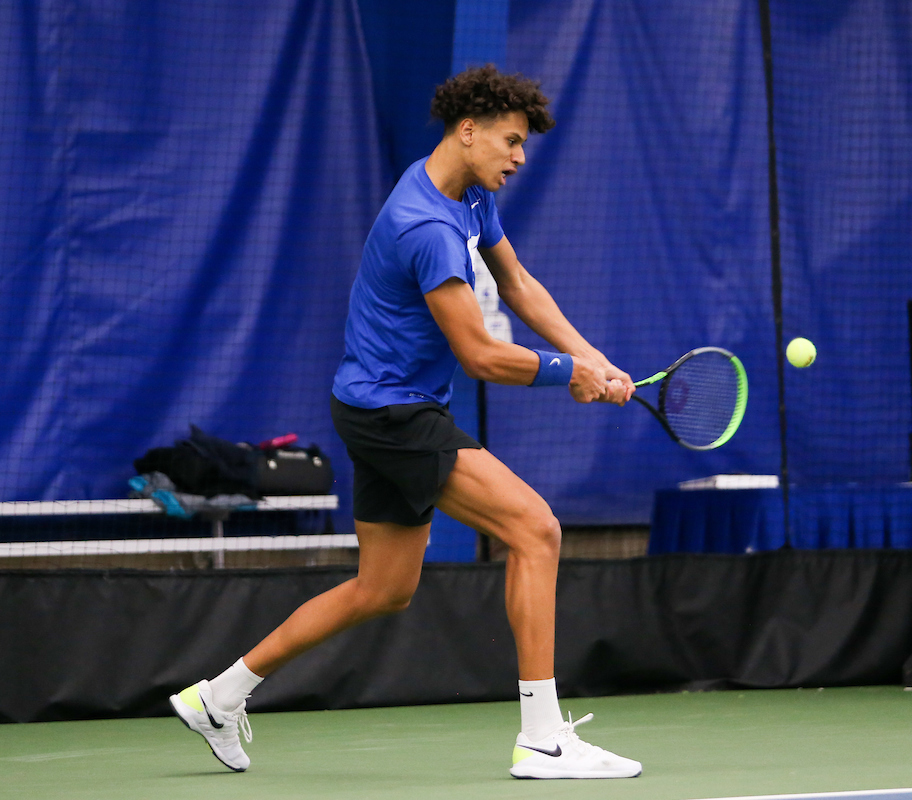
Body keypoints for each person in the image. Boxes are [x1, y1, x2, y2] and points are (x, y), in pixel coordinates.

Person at [168, 65, 642, 780]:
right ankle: (543, 738)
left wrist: (592, 356)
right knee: (536, 529)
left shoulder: (468, 194)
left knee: (383, 589)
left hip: (371, 405)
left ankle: (219, 695)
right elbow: (480, 354)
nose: (519, 158)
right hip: (395, 415)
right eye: (511, 142)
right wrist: (564, 374)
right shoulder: (426, 227)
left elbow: (516, 283)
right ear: (469, 129)